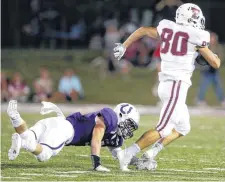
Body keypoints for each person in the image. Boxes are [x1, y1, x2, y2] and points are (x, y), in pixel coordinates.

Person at [113, 3, 221, 171]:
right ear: (191, 19)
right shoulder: (197, 35)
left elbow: (142, 30)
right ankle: (127, 154)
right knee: (163, 129)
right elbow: (215, 63)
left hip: (167, 84)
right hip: (176, 85)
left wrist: (124, 45)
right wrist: (211, 54)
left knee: (183, 127)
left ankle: (149, 155)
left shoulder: (166, 26)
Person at [7, 100, 140, 172]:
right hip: (65, 130)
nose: (129, 129)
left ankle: (16, 118)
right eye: (129, 124)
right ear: (121, 116)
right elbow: (96, 138)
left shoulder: (113, 133)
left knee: (27, 134)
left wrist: (138, 162)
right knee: (44, 154)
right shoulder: (110, 118)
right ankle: (22, 143)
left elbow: (120, 155)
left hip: (56, 123)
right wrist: (97, 164)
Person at [197, 32, 225, 107]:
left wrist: (215, 61)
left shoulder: (218, 47)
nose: (212, 40)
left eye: (213, 38)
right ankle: (200, 100)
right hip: (207, 71)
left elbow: (221, 58)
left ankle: (222, 100)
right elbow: (201, 57)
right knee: (203, 86)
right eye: (211, 38)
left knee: (218, 86)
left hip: (214, 71)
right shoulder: (207, 47)